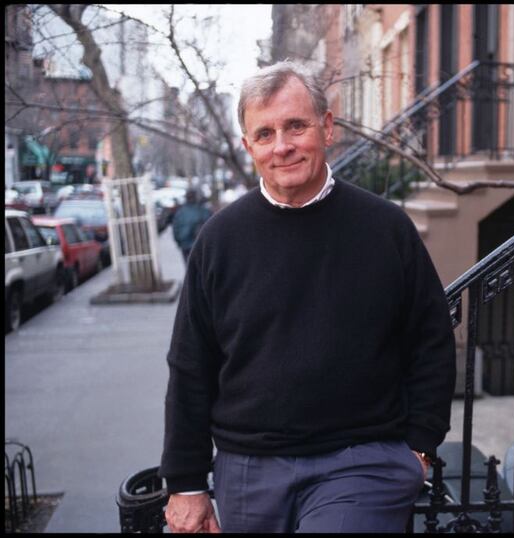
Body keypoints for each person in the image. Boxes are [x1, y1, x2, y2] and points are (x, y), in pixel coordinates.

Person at [159, 60, 457, 533]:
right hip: (247, 467)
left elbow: (431, 338)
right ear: (248, 146)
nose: (282, 146)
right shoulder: (219, 239)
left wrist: (420, 446)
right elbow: (191, 364)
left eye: (296, 126)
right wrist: (186, 482)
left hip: (362, 460)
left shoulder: (385, 228)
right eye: (265, 133)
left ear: (327, 126)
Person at [171, 188, 212, 263]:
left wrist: (179, 242)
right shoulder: (203, 210)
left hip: (185, 244)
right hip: (201, 244)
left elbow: (175, 229)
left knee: (189, 266)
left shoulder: (180, 213)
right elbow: (211, 226)